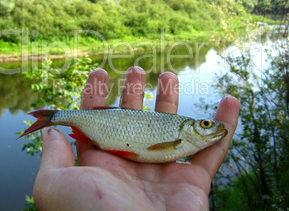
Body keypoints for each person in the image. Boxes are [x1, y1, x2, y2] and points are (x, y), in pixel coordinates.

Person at [32, 67, 240, 211]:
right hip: (102, 129)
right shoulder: (182, 142)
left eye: (206, 125)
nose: (211, 127)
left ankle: (52, 117)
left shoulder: (185, 143)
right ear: (190, 128)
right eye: (205, 124)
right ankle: (53, 117)